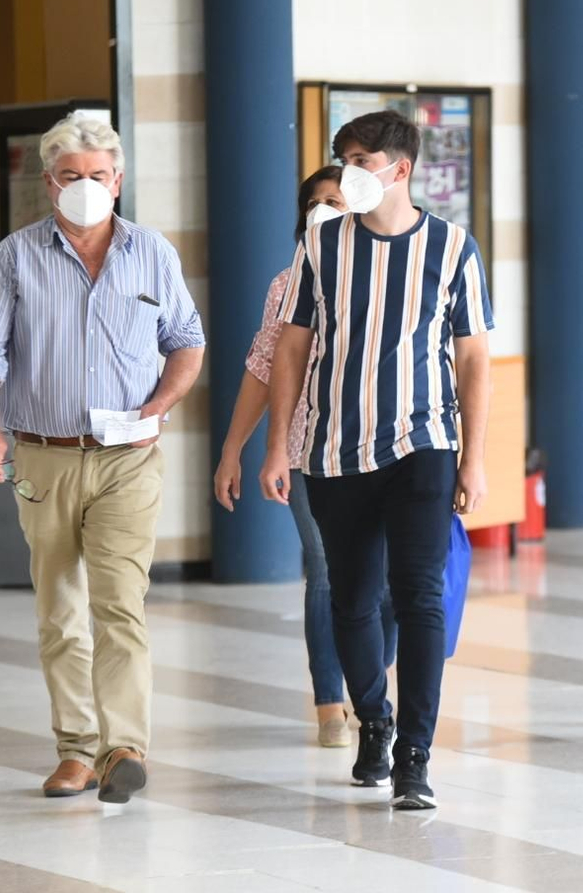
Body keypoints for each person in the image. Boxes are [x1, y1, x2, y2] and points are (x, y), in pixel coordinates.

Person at [0, 113, 204, 805]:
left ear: (118, 180)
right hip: (46, 457)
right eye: (72, 177)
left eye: (98, 176)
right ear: (48, 182)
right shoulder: (16, 256)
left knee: (120, 602)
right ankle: (74, 749)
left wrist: (161, 402)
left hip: (129, 457)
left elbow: (187, 338)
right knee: (60, 608)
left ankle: (122, 745)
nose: (86, 187)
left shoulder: (151, 252)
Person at [258, 110, 492, 811]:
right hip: (333, 448)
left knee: (418, 594)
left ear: (401, 168)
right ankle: (374, 718)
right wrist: (278, 444)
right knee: (351, 597)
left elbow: (473, 357)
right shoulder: (322, 247)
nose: (352, 171)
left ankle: (415, 753)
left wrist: (472, 459)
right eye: (345, 159)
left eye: (363, 159)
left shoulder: (453, 248)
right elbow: (291, 347)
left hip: (422, 445)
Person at [214, 165, 397, 748]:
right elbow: (263, 370)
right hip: (304, 450)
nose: (323, 209)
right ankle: (329, 703)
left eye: (335, 200)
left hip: (382, 446)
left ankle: (369, 678)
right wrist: (233, 450)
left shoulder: (393, 274)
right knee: (326, 573)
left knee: (388, 579)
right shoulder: (287, 283)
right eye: (314, 202)